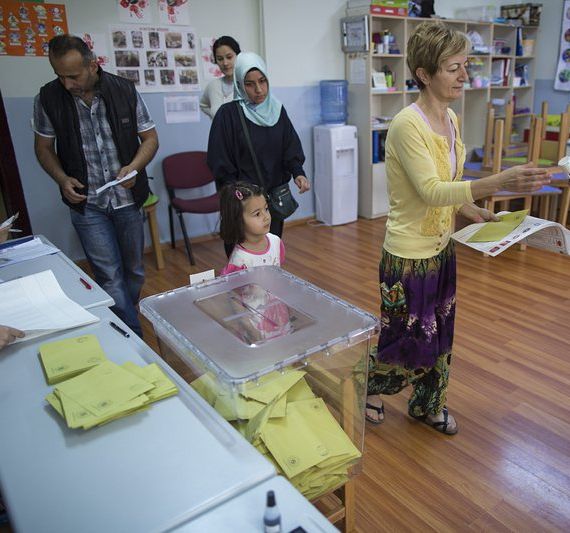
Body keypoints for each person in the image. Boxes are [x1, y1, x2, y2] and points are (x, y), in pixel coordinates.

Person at [365, 22, 550, 433]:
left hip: (442, 248)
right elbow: (431, 191)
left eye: (465, 65)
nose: (464, 76)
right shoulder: (406, 126)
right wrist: (500, 181)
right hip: (408, 253)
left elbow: (451, 189)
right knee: (406, 335)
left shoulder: (450, 118)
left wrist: (476, 212)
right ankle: (369, 387)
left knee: (441, 332)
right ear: (425, 74)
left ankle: (429, 404)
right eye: (453, 68)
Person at [32, 34, 159, 338]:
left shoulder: (124, 90)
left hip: (127, 198)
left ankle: (125, 315)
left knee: (134, 273)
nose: (67, 84)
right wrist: (62, 179)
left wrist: (135, 167)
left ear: (92, 64)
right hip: (87, 205)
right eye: (60, 76)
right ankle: (131, 336)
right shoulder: (48, 98)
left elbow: (150, 139)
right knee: (109, 277)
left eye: (73, 76)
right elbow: (43, 148)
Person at [207, 52, 310, 256]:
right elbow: (219, 161)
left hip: (272, 202)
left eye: (262, 81)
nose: (259, 90)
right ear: (239, 84)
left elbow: (290, 146)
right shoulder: (227, 115)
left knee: (270, 254)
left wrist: (298, 172)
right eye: (250, 84)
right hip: (242, 205)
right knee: (243, 259)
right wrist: (239, 197)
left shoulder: (277, 110)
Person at [219, 181, 284, 274]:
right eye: (257, 214)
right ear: (238, 220)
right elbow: (228, 286)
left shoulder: (276, 242)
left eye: (266, 209)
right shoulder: (239, 260)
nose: (266, 217)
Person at [200, 35, 241, 119]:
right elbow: (203, 105)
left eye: (229, 57)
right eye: (220, 59)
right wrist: (214, 117)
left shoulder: (247, 85)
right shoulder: (213, 86)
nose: (225, 63)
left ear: (238, 56)